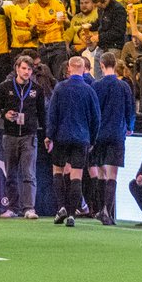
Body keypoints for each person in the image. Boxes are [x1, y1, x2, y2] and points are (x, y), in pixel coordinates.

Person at [45, 55, 101, 226]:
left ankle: (61, 207)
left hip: (61, 137)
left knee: (58, 172)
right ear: (84, 69)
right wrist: (92, 139)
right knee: (77, 175)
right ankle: (71, 215)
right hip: (81, 138)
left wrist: (49, 136)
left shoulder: (60, 88)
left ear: (69, 69)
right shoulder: (89, 90)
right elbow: (96, 118)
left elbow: (52, 114)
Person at [0, 55, 44, 218]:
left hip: (29, 135)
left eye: (29, 69)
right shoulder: (5, 87)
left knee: (28, 173)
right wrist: (4, 114)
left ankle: (29, 208)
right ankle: (13, 208)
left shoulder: (37, 89)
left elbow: (42, 114)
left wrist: (47, 135)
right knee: (11, 174)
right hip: (10, 135)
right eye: (24, 68)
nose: (26, 72)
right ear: (17, 68)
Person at [88, 51, 135, 225]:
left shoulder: (96, 86)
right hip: (117, 133)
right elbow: (130, 110)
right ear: (115, 65)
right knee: (112, 174)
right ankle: (107, 210)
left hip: (99, 134)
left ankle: (102, 209)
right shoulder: (123, 86)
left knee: (100, 172)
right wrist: (130, 127)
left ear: (101, 65)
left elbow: (92, 111)